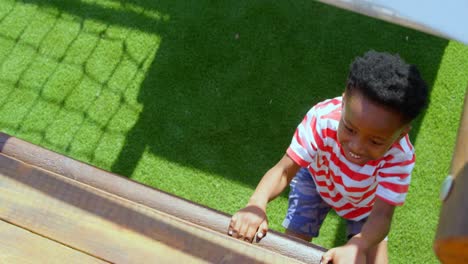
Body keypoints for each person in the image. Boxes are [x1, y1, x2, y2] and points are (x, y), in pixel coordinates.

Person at [227, 50, 429, 264]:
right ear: (343, 103)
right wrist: (256, 204)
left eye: (376, 141)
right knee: (292, 248)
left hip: (366, 203)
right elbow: (283, 171)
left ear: (402, 133)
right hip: (317, 181)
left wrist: (359, 244)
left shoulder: (400, 156)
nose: (357, 146)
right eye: (350, 129)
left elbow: (382, 215)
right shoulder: (322, 119)